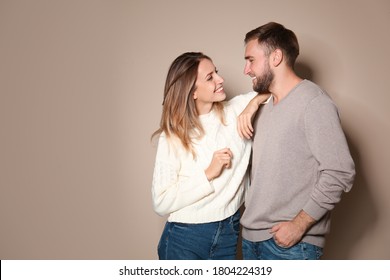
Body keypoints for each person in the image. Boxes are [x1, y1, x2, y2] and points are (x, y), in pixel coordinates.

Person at [237, 22, 356, 260]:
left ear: (276, 57)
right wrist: (254, 103)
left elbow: (340, 171)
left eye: (251, 60)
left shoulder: (314, 102)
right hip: (251, 240)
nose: (246, 69)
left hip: (290, 245)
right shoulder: (264, 105)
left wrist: (300, 225)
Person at [151, 52, 269, 260]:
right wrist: (207, 174)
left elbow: (278, 89)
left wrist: (253, 104)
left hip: (228, 234)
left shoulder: (237, 110)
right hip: (184, 239)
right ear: (192, 92)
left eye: (217, 72)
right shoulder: (173, 137)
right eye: (210, 77)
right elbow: (160, 202)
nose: (220, 79)